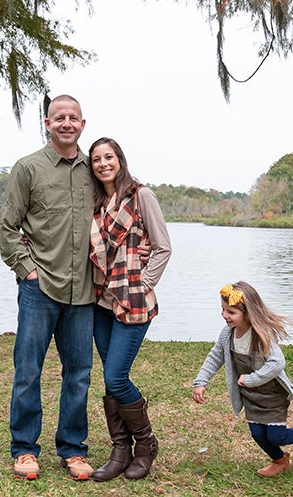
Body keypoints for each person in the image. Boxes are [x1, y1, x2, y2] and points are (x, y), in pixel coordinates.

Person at [0, 94, 96, 481]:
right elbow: (8, 226)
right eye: (59, 118)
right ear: (47, 123)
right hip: (40, 288)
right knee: (28, 370)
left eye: (73, 118)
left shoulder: (96, 169)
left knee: (79, 372)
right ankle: (24, 449)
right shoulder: (28, 168)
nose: (67, 123)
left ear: (83, 124)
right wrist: (26, 270)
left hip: (85, 291)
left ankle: (72, 450)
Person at [86, 137, 171, 482]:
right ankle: (120, 450)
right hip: (100, 302)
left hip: (133, 302)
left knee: (115, 377)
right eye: (96, 159)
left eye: (108, 157)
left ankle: (146, 445)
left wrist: (143, 282)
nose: (103, 163)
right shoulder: (94, 203)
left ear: (119, 159)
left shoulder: (141, 195)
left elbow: (163, 247)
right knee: (110, 380)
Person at [192, 281, 293, 477]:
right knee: (257, 434)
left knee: (277, 436)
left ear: (247, 313)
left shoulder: (261, 335)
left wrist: (251, 379)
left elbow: (277, 363)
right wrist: (201, 382)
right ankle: (280, 461)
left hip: (271, 395)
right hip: (251, 397)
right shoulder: (227, 334)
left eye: (231, 312)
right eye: (223, 310)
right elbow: (215, 356)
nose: (224, 315)